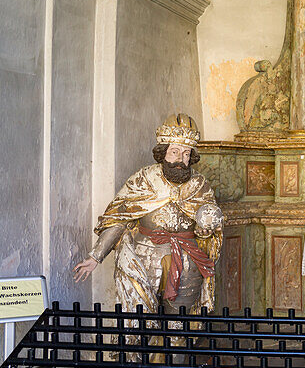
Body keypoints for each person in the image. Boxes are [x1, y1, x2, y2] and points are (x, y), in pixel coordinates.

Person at [73, 113, 223, 314]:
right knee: (141, 321)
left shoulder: (199, 185)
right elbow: (120, 218)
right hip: (145, 257)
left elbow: (210, 229)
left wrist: (206, 229)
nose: (181, 159)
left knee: (178, 322)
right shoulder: (144, 179)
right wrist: (96, 257)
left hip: (188, 261)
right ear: (163, 152)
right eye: (175, 152)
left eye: (186, 153)